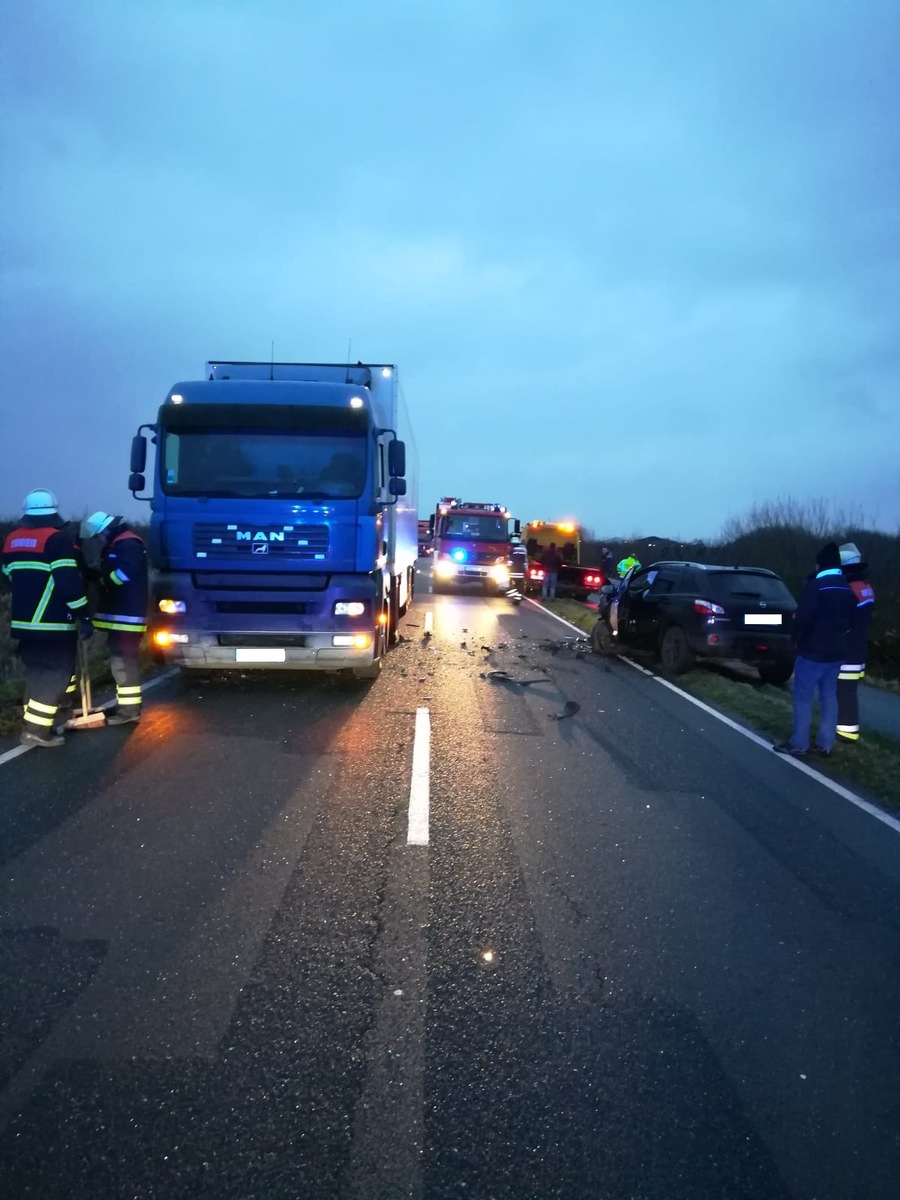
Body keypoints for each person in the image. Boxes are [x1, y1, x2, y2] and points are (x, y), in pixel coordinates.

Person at [1, 489, 91, 747]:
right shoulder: (57, 539)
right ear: (54, 511)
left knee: (37, 673)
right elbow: (67, 583)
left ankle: (34, 724)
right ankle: (37, 731)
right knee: (56, 673)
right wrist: (83, 614)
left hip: (22, 622)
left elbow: (9, 573)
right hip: (53, 622)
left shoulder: (12, 539)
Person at [773, 542, 856, 759]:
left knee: (802, 698)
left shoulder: (816, 586)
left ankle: (799, 743)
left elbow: (802, 618)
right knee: (829, 697)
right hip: (836, 653)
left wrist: (796, 639)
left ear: (821, 563)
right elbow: (851, 621)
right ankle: (825, 744)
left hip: (812, 652)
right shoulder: (846, 588)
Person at [80, 511, 149, 724]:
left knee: (123, 662)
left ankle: (129, 711)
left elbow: (127, 572)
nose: (99, 540)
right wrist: (96, 574)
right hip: (121, 615)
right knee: (120, 661)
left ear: (106, 529)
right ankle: (125, 706)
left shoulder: (127, 544)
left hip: (126, 616)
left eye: (99, 535)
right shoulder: (118, 543)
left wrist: (104, 581)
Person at [836, 542, 876, 744]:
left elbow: (843, 621)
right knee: (848, 691)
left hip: (847, 650)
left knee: (844, 692)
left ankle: (846, 734)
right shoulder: (866, 588)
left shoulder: (849, 589)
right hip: (859, 648)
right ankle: (847, 730)